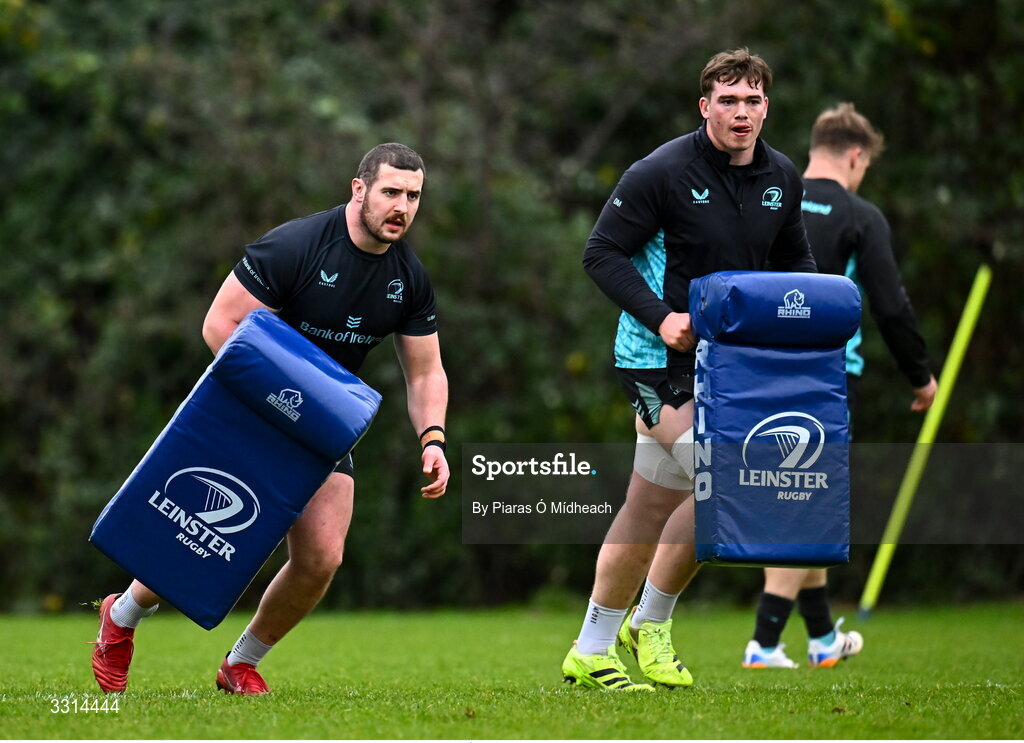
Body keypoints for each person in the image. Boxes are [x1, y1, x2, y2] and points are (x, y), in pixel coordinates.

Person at [91, 143, 450, 695]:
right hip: (251, 410)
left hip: (324, 425)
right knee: (207, 533)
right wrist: (278, 400)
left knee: (323, 557)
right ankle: (121, 620)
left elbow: (425, 373)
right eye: (391, 192)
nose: (402, 206)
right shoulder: (297, 245)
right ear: (359, 190)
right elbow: (220, 323)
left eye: (413, 196)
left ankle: (241, 662)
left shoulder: (409, 279)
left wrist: (433, 439)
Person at [562, 48, 817, 691]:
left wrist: (809, 335)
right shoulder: (661, 172)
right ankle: (648, 623)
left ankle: (594, 647)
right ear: (704, 107)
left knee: (652, 505)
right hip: (657, 359)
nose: (740, 112)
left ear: (767, 107)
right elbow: (600, 254)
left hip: (734, 365)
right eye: (727, 100)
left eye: (752, 100)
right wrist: (661, 318)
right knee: (727, 478)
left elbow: (798, 272)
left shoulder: (782, 176)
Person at [742, 103, 937, 669]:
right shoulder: (859, 215)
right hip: (821, 378)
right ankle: (766, 641)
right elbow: (891, 306)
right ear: (856, 156)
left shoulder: (767, 195)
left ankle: (824, 639)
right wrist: (920, 375)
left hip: (750, 371)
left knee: (798, 496)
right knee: (803, 505)